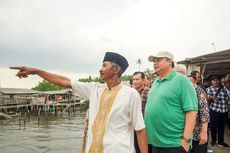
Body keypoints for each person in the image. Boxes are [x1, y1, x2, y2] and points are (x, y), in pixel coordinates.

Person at [10, 52, 148, 153]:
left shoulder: (131, 94)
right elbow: (64, 81)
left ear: (116, 69)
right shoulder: (94, 89)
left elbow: (140, 130)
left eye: (104, 65)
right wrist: (36, 71)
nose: (100, 69)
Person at [145, 50, 198, 153]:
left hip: (174, 144)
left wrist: (186, 140)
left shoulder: (182, 81)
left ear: (169, 61)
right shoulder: (156, 81)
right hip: (156, 143)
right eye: (154, 61)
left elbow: (191, 111)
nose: (155, 63)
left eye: (158, 60)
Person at [188, 74, 209, 153]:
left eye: (190, 80)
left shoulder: (197, 89)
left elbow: (204, 110)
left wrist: (204, 131)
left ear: (195, 81)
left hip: (196, 133)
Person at [206, 75, 229, 147]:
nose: (215, 82)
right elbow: (205, 98)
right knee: (213, 127)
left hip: (223, 111)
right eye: (214, 80)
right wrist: (211, 97)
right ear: (211, 81)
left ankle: (220, 142)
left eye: (217, 80)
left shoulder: (224, 89)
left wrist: (228, 110)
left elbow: (228, 99)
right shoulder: (209, 89)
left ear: (219, 81)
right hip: (214, 110)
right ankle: (213, 140)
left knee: (221, 127)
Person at [132, 71, 150, 153]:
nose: (135, 81)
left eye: (137, 79)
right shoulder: (130, 92)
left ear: (143, 80)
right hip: (132, 127)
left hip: (144, 127)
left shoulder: (149, 92)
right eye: (133, 79)